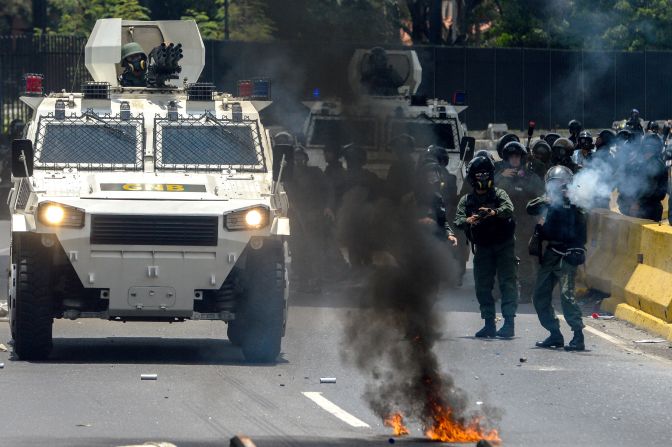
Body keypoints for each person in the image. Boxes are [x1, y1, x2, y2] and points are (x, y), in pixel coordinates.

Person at [454, 155, 517, 338]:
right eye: (478, 175)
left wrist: (493, 212)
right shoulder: (467, 200)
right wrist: (469, 219)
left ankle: (509, 323)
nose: (482, 178)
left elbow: (508, 209)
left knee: (507, 284)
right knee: (482, 286)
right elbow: (457, 220)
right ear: (473, 177)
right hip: (482, 248)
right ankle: (489, 323)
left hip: (504, 245)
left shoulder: (499, 194)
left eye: (485, 174)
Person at [527, 166, 587, 351]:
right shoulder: (548, 201)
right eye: (554, 183)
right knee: (539, 296)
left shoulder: (576, 201)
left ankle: (578, 335)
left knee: (566, 296)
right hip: (552, 252)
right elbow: (530, 208)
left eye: (561, 183)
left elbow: (583, 219)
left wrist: (571, 197)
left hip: (568, 253)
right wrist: (549, 198)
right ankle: (554, 333)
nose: (558, 186)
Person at [496, 141, 545, 302]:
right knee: (502, 259)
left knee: (525, 259)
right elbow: (491, 194)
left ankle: (526, 293)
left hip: (525, 223)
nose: (514, 160)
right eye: (511, 156)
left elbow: (541, 197)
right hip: (504, 223)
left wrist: (541, 218)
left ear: (522, 158)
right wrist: (502, 178)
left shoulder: (531, 177)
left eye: (517, 156)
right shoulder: (500, 176)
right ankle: (501, 291)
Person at [283, 143, 330, 292]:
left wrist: (327, 207)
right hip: (294, 218)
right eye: (296, 158)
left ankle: (316, 279)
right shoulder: (286, 175)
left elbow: (328, 190)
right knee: (297, 249)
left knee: (315, 248)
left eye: (301, 157)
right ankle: (301, 279)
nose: (299, 160)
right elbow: (283, 194)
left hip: (314, 216)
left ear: (306, 159)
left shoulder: (315, 173)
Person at [617, 134, 668, 221]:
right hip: (647, 206)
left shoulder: (654, 164)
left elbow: (649, 187)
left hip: (647, 208)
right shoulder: (649, 162)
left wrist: (637, 203)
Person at [386, 134, 417, 202]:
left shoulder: (398, 165)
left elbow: (391, 187)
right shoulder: (410, 163)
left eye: (394, 149)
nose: (392, 152)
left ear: (400, 150)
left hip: (399, 203)